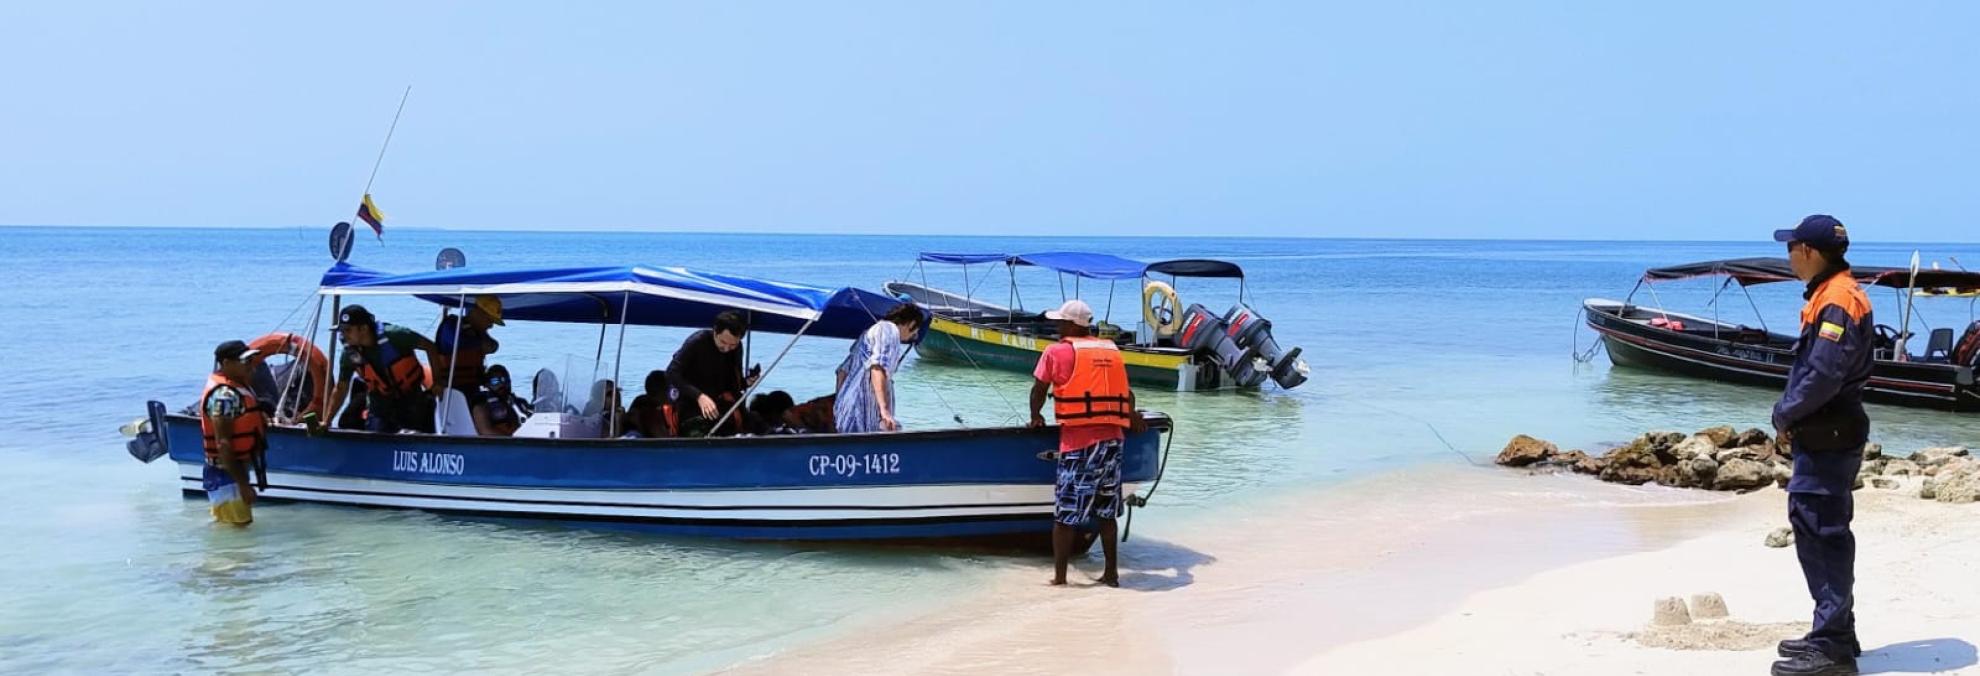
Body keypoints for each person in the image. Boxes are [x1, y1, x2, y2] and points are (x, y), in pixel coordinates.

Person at [1769, 215, 1873, 676]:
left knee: (1821, 530)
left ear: (1808, 252)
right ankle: (1837, 632)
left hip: (1829, 429)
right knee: (1819, 525)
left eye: (1791, 248)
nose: (1788, 256)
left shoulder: (1837, 299)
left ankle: (1831, 647)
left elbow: (1823, 374)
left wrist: (1785, 412)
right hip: (1830, 428)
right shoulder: (1833, 294)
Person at [1028, 299, 1142, 588]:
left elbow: (1039, 388)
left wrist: (1035, 416)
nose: (1055, 327)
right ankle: (1112, 574)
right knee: (1106, 512)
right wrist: (1132, 417)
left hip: (1079, 444)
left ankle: (1061, 578)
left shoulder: (1056, 352)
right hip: (1113, 443)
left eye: (1059, 322)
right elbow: (1126, 395)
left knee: (1066, 514)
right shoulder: (1110, 351)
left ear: (1070, 325)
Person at [327, 305, 438, 434]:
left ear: (363, 328)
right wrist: (327, 420)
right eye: (341, 331)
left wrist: (438, 382)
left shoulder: (396, 336)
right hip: (379, 406)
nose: (344, 335)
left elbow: (430, 347)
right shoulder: (349, 355)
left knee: (415, 432)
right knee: (375, 432)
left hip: (412, 400)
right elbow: (341, 387)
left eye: (348, 330)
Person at [199, 340, 269, 526]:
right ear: (226, 363)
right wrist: (243, 485)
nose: (249, 365)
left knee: (233, 530)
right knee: (238, 529)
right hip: (225, 473)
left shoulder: (238, 388)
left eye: (250, 360)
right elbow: (223, 444)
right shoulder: (224, 396)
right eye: (243, 361)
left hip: (232, 472)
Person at [833, 303, 923, 433]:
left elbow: (842, 372)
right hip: (865, 414)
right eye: (916, 331)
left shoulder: (868, 334)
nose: (914, 335)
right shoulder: (888, 330)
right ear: (911, 323)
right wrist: (884, 411)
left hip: (847, 413)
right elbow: (877, 367)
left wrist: (839, 404)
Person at [665, 311, 758, 436]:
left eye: (732, 345)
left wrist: (747, 382)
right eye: (723, 343)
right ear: (715, 331)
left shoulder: (737, 348)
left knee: (754, 424)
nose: (726, 349)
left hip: (719, 405)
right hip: (690, 402)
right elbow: (671, 373)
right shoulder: (698, 341)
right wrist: (700, 396)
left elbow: (733, 384)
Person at [432, 296, 504, 436]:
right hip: (453, 392)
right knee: (481, 412)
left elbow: (493, 346)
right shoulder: (452, 326)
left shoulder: (478, 332)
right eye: (490, 320)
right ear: (478, 313)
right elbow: (460, 342)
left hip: (472, 389)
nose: (491, 325)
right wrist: (479, 340)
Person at [480, 364, 532, 437]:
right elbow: (486, 431)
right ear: (487, 384)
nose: (502, 384)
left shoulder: (520, 402)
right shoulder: (483, 405)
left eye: (505, 379)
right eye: (495, 381)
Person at [626, 370, 677, 438]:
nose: (672, 393)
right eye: (669, 389)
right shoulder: (648, 409)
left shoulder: (646, 402)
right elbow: (662, 438)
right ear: (661, 392)